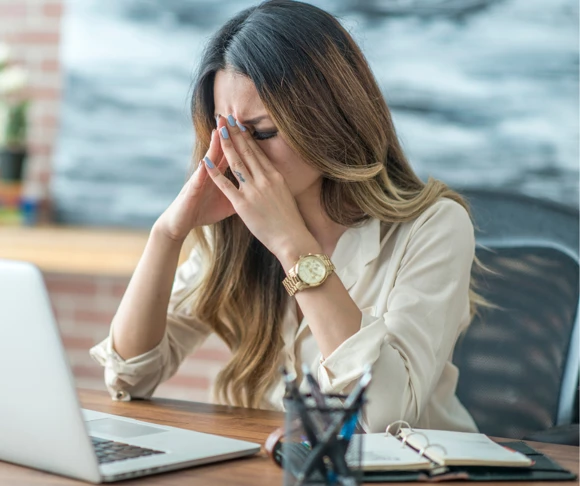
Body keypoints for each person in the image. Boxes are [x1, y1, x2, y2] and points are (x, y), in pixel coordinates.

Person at [90, 0, 482, 433]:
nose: (242, 154)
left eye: (263, 132)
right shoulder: (236, 230)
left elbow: (381, 418)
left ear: (331, 118)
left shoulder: (435, 227)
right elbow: (130, 377)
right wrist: (167, 234)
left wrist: (292, 246)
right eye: (227, 132)